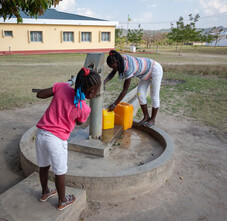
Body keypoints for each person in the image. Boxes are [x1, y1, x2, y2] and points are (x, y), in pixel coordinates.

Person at [35, 67, 101, 210]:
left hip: (41, 134)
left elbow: (40, 95)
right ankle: (62, 201)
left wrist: (58, 90)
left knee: (44, 166)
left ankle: (45, 191)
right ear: (93, 92)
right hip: (56, 140)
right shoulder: (84, 108)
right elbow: (78, 122)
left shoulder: (62, 87)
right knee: (60, 171)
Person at [104, 50, 163, 127]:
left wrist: (114, 105)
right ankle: (146, 116)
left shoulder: (128, 68)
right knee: (140, 94)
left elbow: (125, 90)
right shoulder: (119, 59)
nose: (115, 69)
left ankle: (152, 119)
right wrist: (104, 82)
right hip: (145, 74)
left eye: (114, 67)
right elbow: (113, 71)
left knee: (154, 96)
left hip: (154, 70)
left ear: (117, 63)